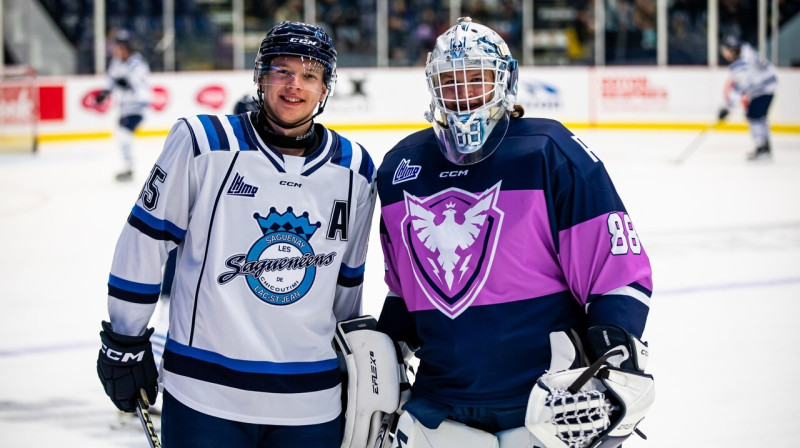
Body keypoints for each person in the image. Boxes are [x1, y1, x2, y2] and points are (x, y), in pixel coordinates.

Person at [374, 18, 654, 448]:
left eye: (477, 78)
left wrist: (613, 356)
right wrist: (383, 352)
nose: (463, 94)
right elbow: (406, 292)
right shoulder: (400, 169)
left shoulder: (550, 151)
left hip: (550, 410)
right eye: (451, 81)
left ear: (505, 81)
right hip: (439, 411)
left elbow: (615, 274)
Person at [96, 21, 377, 447]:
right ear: (260, 76)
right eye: (281, 70)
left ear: (325, 89)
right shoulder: (202, 143)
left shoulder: (356, 168)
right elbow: (145, 241)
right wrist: (125, 337)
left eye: (309, 75)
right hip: (205, 395)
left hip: (311, 400)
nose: (293, 86)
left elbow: (347, 281)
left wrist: (352, 360)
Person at [95, 29, 152, 181]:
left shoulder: (138, 63)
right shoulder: (117, 62)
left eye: (118, 46)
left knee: (124, 135)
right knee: (122, 136)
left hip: (137, 107)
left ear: (126, 47)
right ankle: (128, 166)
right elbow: (112, 79)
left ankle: (129, 168)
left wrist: (126, 83)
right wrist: (105, 93)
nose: (115, 50)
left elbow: (137, 84)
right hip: (124, 108)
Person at [717, 34, 778, 161]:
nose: (723, 53)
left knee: (754, 115)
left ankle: (762, 147)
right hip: (768, 85)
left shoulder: (740, 65)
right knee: (758, 116)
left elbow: (740, 87)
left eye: (725, 50)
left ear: (731, 50)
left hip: (763, 89)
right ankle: (764, 145)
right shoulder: (746, 50)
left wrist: (727, 108)